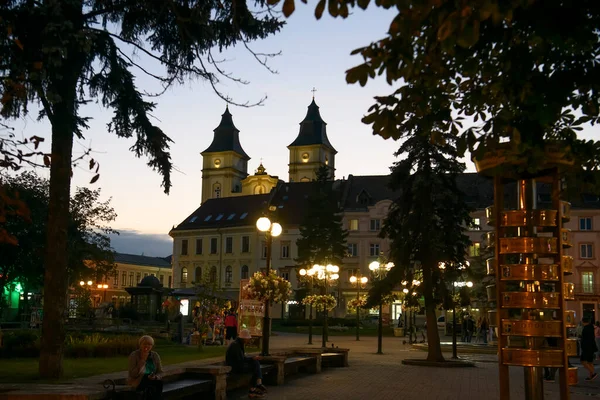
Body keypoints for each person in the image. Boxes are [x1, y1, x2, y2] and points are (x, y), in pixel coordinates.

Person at [226, 329, 267, 398]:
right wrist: (252, 358)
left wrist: (252, 358)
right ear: (243, 338)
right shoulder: (236, 346)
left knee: (255, 364)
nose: (248, 340)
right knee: (255, 365)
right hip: (235, 368)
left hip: (237, 366)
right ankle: (256, 385)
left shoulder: (238, 344)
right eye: (247, 339)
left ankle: (255, 387)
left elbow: (242, 358)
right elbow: (241, 360)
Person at [128, 335, 163, 399]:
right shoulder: (134, 355)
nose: (147, 346)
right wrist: (142, 360)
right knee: (149, 384)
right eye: (145, 344)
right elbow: (132, 374)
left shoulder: (155, 355)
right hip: (138, 381)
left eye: (149, 344)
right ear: (140, 344)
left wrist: (155, 377)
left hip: (152, 380)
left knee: (159, 382)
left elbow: (160, 372)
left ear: (152, 346)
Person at [580, 317, 598, 381]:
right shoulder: (591, 327)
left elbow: (585, 339)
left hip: (586, 348)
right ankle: (591, 376)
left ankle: (592, 374)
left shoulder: (586, 328)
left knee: (583, 361)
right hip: (591, 347)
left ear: (583, 321)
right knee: (590, 362)